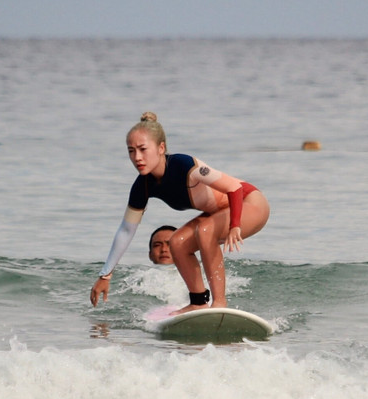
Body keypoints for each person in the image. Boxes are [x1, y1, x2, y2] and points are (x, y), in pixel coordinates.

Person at [90, 112, 270, 313]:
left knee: (204, 230)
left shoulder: (185, 165)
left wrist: (235, 224)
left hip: (249, 203)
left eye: (142, 149)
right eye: (131, 151)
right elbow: (126, 230)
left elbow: (234, 188)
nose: (137, 158)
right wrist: (105, 275)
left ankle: (219, 303)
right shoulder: (143, 186)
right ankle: (198, 301)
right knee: (177, 242)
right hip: (219, 213)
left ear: (161, 148)